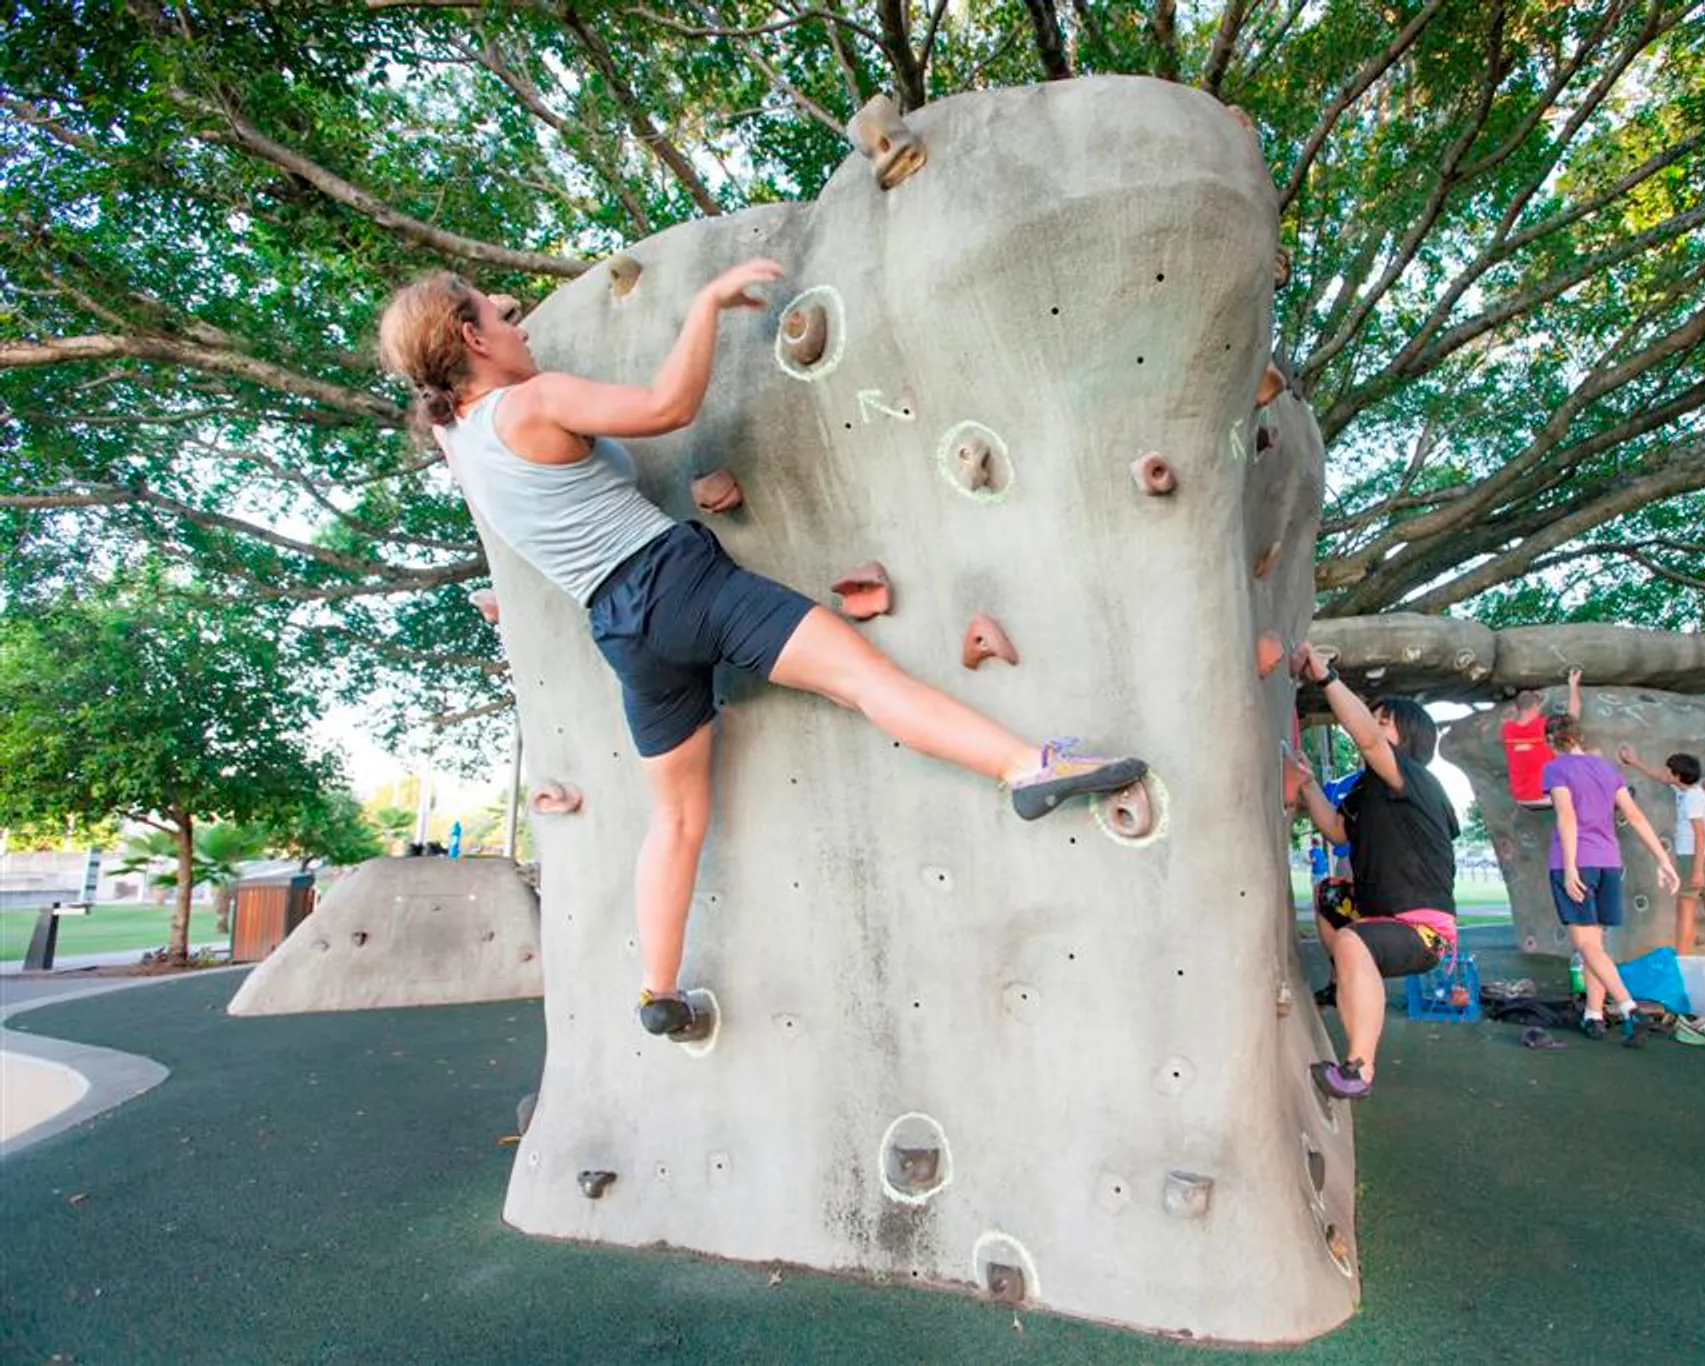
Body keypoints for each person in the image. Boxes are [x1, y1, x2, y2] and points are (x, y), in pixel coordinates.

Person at [378, 266, 1147, 1042]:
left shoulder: (456, 439)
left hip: (619, 628)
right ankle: (1027, 767)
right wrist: (706, 302)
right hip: (681, 582)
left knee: (675, 817)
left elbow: (463, 398)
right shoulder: (532, 402)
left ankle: (659, 989)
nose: (522, 327)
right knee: (863, 679)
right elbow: (667, 407)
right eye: (501, 318)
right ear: (473, 338)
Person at [1288, 647, 1459, 1101]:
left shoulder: (1415, 780)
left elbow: (1365, 739)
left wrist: (1325, 677)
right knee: (1330, 897)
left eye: (1383, 720)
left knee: (1353, 940)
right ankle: (1348, 978)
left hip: (1423, 931)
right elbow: (1335, 828)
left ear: (1408, 739)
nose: (1372, 723)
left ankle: (1359, 1070)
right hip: (1379, 918)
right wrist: (1305, 782)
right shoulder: (1367, 789)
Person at [1542, 715, 1679, 1042]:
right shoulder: (1607, 769)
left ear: (1550, 741)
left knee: (1585, 944)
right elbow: (1633, 815)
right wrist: (1664, 861)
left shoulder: (1556, 769)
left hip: (1575, 862)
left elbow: (1566, 816)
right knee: (1596, 946)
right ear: (1580, 736)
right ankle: (1594, 1014)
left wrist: (1571, 866)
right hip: (1608, 863)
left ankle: (1628, 1006)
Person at [1617, 746, 1705, 955]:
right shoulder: (1687, 790)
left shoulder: (1692, 799)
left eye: (1669, 771)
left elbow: (1700, 835)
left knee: (1685, 909)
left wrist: (1697, 869)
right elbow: (1659, 777)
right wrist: (1634, 761)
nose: (1665, 774)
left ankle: (1682, 959)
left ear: (1678, 776)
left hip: (1693, 858)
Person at [1500, 669, 1582, 807]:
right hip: (1546, 795)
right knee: (1587, 756)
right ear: (1536, 706)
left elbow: (1510, 718)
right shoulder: (1543, 726)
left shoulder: (1507, 730)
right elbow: (1574, 716)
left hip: (1522, 798)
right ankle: (1612, 797)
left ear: (1517, 709)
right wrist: (1573, 685)